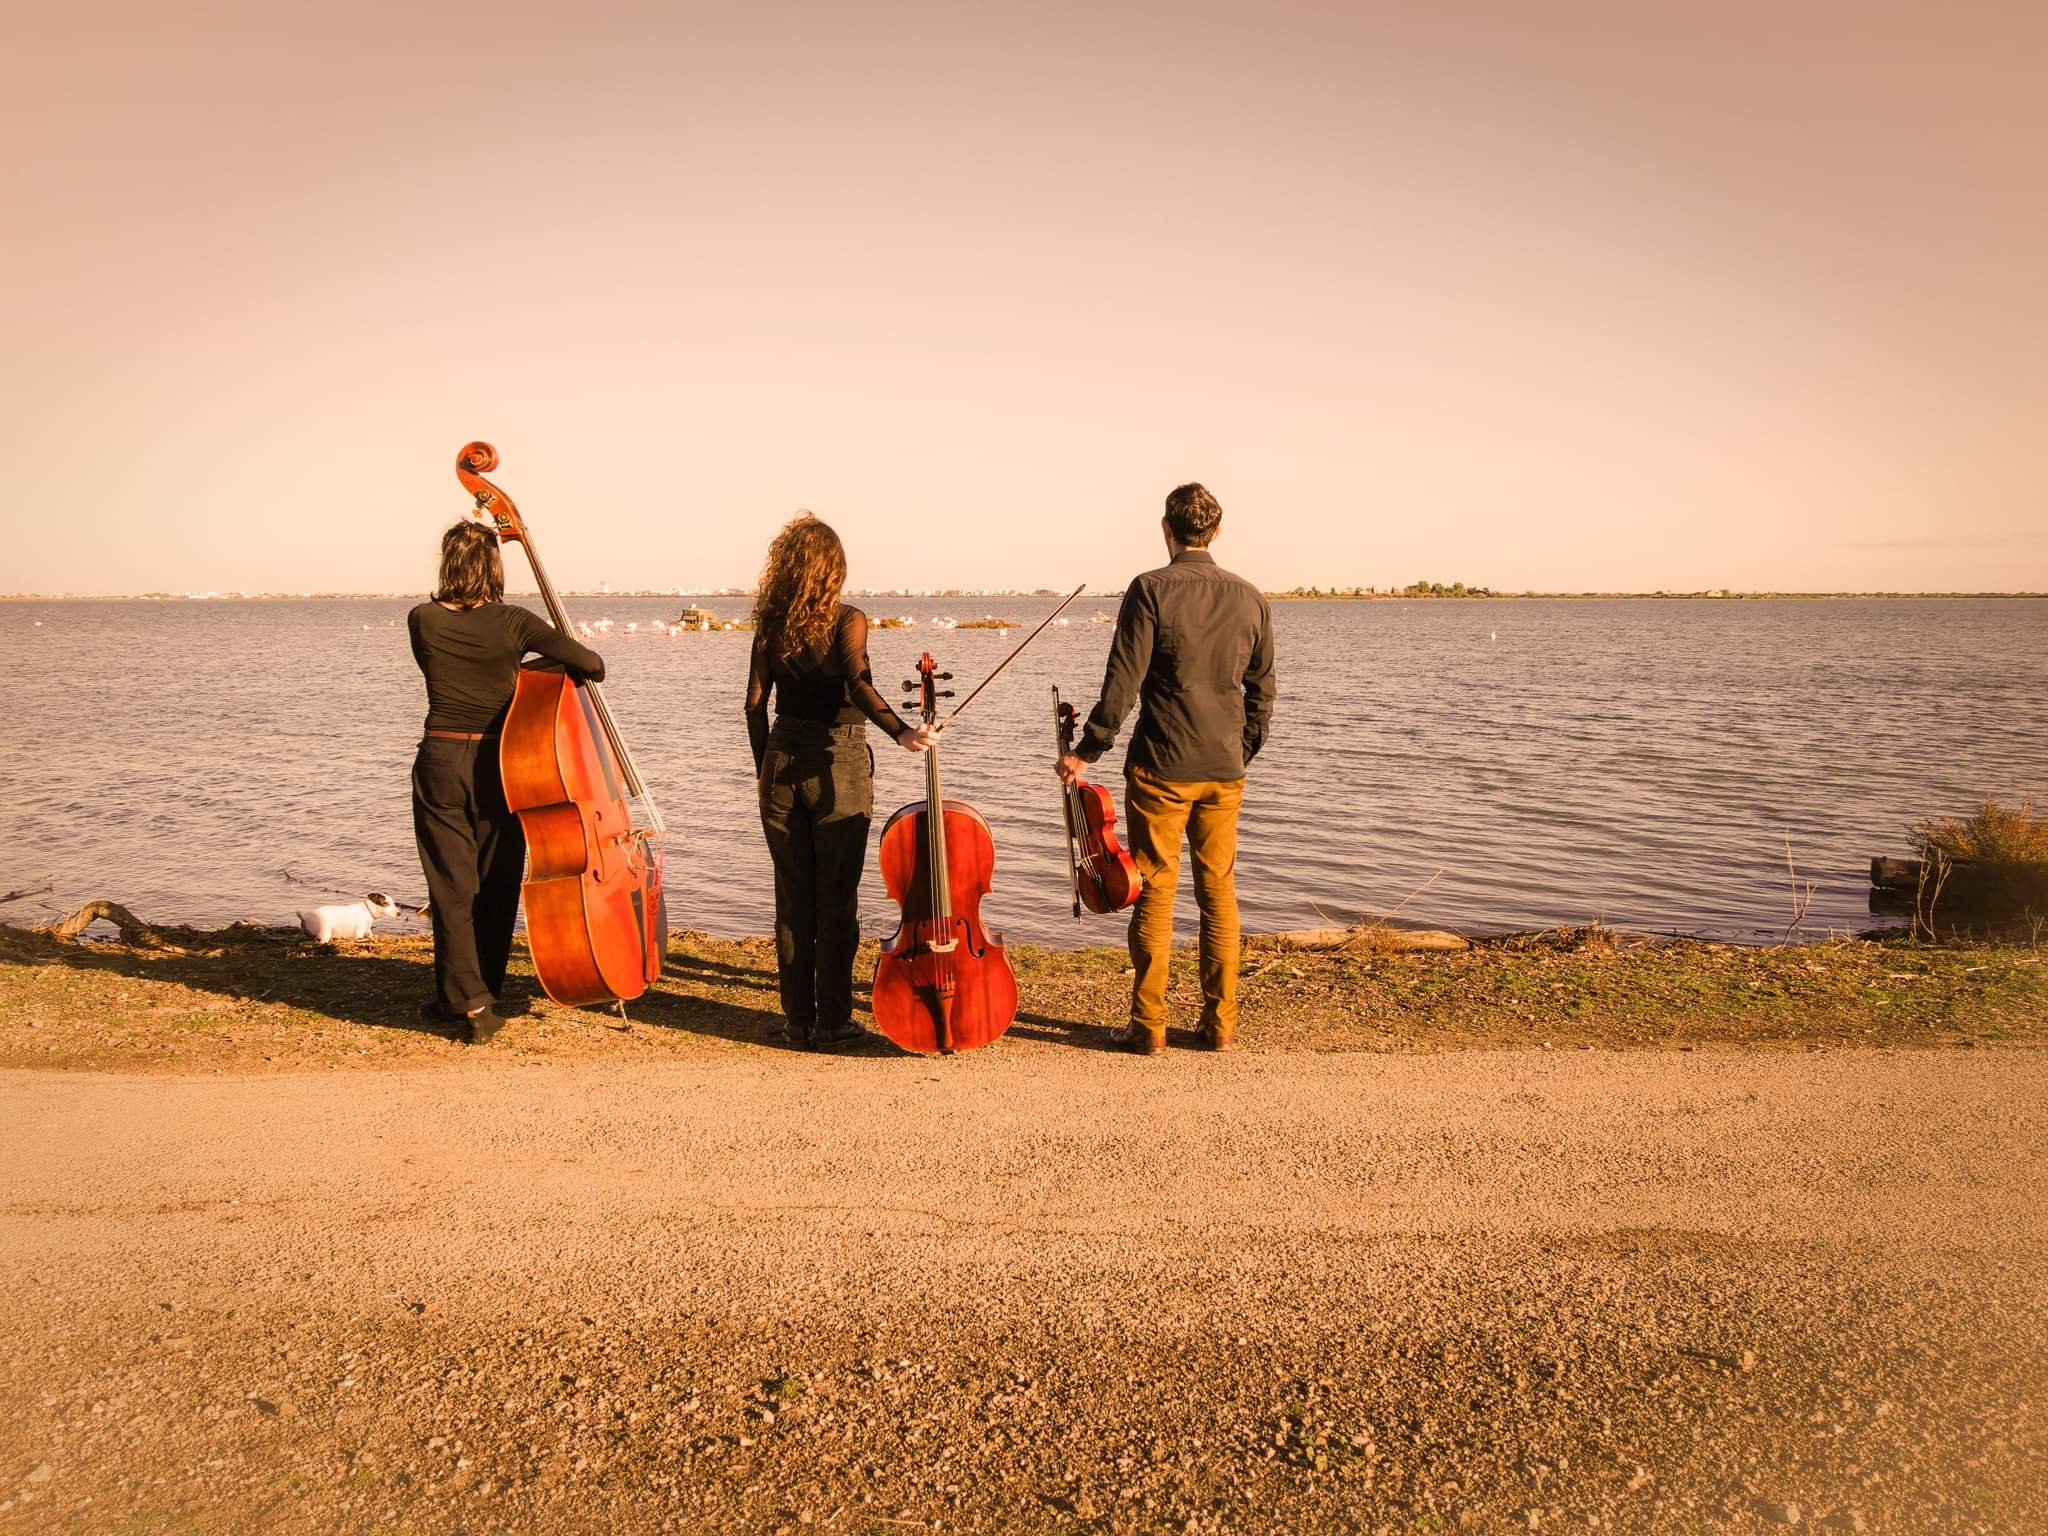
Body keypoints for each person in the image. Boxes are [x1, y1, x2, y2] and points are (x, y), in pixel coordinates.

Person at [1055, 483, 1276, 1053]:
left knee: (1155, 888)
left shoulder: (1150, 589)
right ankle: (1220, 1023)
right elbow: (1262, 692)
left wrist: (1087, 751)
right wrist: (1241, 748)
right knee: (1218, 891)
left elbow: (1122, 684)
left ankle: (1148, 1026)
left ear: (1166, 528)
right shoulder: (1250, 597)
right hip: (1224, 768)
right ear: (1217, 532)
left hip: (1162, 766)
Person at [408, 519, 606, 1044]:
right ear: (494, 566)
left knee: (450, 888)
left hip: (440, 757)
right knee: (495, 884)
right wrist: (526, 670)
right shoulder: (514, 621)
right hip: (502, 764)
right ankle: (476, 1001)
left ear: (447, 564)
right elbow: (591, 664)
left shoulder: (422, 619)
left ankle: (463, 996)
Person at [746, 514, 934, 1049]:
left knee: (793, 896)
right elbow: (859, 683)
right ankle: (833, 1021)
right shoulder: (848, 619)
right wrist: (902, 733)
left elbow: (754, 707)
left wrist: (766, 766)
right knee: (836, 897)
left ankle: (796, 1021)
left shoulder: (771, 624)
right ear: (835, 570)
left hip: (779, 760)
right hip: (838, 761)